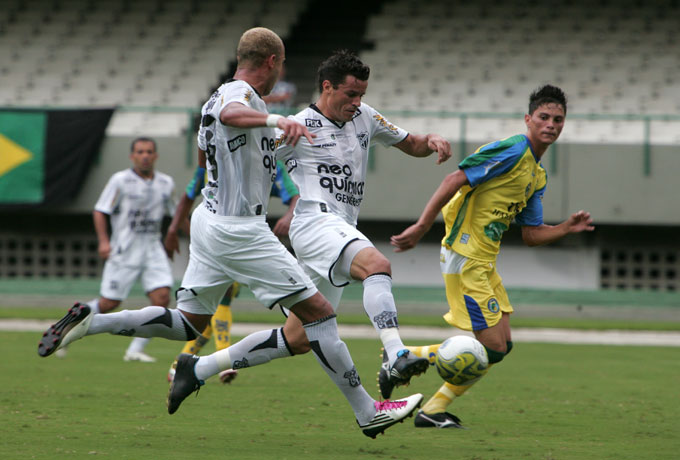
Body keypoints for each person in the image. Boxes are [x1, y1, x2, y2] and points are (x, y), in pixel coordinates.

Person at [38, 27, 422, 439]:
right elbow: (230, 114)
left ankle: (92, 323)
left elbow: (211, 150)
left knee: (188, 324)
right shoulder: (234, 94)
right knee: (320, 317)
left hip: (212, 219)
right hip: (240, 230)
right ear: (273, 62)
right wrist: (276, 117)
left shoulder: (226, 99)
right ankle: (368, 412)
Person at [390, 84, 595, 428]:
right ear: (528, 119)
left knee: (504, 346)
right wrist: (423, 225)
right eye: (544, 117)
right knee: (493, 348)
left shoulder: (536, 174)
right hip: (465, 257)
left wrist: (565, 228)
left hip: (484, 263)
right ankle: (408, 358)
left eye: (558, 119)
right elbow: (454, 178)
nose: (551, 124)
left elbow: (530, 235)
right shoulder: (512, 150)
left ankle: (432, 410)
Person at [269, 49, 452, 400]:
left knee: (299, 337)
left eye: (361, 95)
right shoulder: (298, 125)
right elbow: (257, 162)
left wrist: (430, 140)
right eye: (351, 94)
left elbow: (410, 143)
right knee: (377, 265)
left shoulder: (365, 117)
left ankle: (202, 367)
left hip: (340, 227)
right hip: (315, 223)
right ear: (327, 87)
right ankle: (396, 352)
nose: (357, 102)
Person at [164, 159, 300, 383]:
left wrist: (288, 217)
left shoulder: (267, 161)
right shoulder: (208, 164)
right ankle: (221, 362)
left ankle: (181, 363)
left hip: (244, 240)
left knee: (210, 311)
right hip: (213, 241)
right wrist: (173, 230)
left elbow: (294, 195)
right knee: (213, 306)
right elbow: (187, 198)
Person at [57, 137, 177, 362]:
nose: (145, 156)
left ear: (156, 156)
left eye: (149, 152)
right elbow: (100, 210)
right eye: (140, 152)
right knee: (109, 303)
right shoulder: (120, 180)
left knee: (162, 299)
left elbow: (176, 215)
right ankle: (64, 329)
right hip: (124, 249)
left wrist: (186, 237)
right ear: (132, 156)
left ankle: (135, 351)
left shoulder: (166, 183)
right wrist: (104, 241)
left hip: (153, 248)